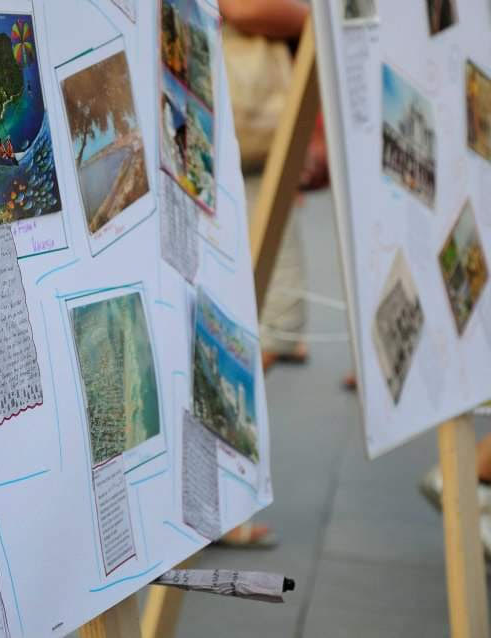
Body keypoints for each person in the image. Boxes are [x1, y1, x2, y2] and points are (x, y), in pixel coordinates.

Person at [213, 0, 325, 548]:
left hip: (246, 145)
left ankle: (212, 489)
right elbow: (245, 7)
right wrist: (316, 21)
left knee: (267, 322)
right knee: (269, 322)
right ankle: (213, 489)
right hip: (231, 135)